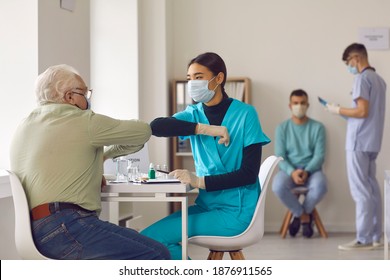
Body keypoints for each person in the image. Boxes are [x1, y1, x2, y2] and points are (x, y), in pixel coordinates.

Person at [10, 64, 170, 260]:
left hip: (36, 233)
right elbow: (143, 132)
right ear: (69, 97)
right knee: (158, 254)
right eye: (84, 93)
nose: (87, 99)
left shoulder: (24, 125)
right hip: (68, 226)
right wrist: (105, 155)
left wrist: (102, 156)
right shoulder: (83, 121)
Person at [140, 52, 270, 259]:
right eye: (190, 78)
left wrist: (198, 180)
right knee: (145, 239)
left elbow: (248, 174)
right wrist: (204, 129)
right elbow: (156, 127)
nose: (192, 83)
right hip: (206, 206)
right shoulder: (194, 114)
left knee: (153, 241)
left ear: (218, 78)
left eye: (199, 77)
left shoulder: (246, 114)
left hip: (235, 212)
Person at [325, 43, 386, 250]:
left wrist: (337, 109)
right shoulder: (380, 81)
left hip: (358, 143)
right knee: (372, 189)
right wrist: (342, 112)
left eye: (348, 62)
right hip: (372, 142)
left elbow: (361, 112)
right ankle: (378, 236)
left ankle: (363, 239)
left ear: (355, 58)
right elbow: (366, 114)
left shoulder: (361, 78)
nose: (349, 66)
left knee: (361, 191)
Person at [272, 89, 327, 238]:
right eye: (296, 103)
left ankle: (299, 216)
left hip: (312, 170)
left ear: (307, 105)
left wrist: (307, 171)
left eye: (302, 103)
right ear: (290, 106)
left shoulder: (318, 127)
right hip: (289, 170)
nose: (299, 106)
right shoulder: (282, 128)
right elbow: (280, 156)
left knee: (321, 185)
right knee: (277, 186)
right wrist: (292, 172)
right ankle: (304, 216)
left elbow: (319, 156)